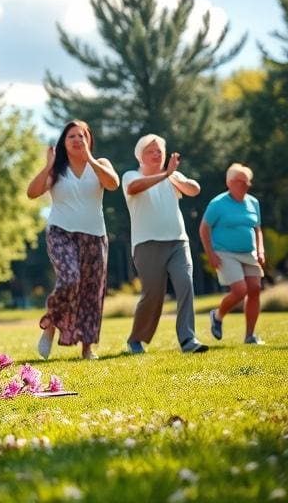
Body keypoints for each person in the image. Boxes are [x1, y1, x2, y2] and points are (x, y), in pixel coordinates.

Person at [27, 120, 119, 361]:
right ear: (64, 142)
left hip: (95, 236)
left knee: (92, 291)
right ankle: (51, 323)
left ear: (89, 140)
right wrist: (48, 165)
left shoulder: (101, 165)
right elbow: (32, 193)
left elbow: (113, 184)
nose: (77, 139)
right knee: (70, 279)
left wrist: (90, 159)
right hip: (61, 233)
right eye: (72, 136)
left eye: (82, 136)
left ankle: (87, 348)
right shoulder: (57, 170)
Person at [122, 134, 208, 354]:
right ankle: (136, 339)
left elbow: (194, 189)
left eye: (159, 150)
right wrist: (165, 174)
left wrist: (173, 177)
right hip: (146, 245)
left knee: (185, 284)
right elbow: (133, 188)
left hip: (178, 242)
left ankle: (188, 339)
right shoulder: (132, 175)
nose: (156, 154)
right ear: (140, 156)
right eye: (150, 151)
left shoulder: (173, 176)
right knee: (153, 295)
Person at [200, 163, 266, 345]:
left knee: (254, 289)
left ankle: (250, 336)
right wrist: (210, 253)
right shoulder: (218, 204)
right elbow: (204, 228)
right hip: (225, 253)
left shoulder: (253, 202)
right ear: (229, 182)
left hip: (249, 253)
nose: (244, 185)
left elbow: (257, 229)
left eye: (247, 182)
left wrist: (260, 249)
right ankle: (217, 315)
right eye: (240, 181)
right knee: (240, 290)